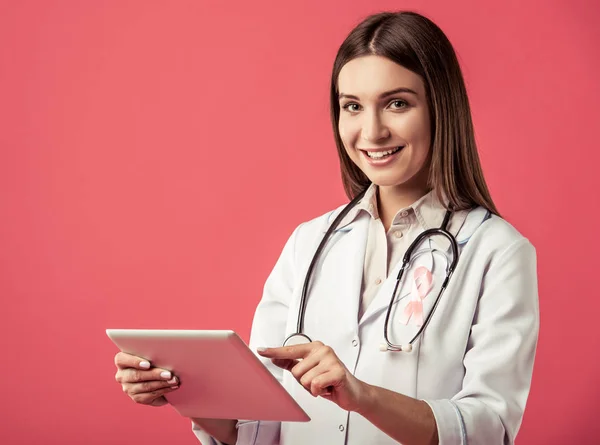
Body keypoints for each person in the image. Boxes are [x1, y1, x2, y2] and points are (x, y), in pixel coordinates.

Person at [114, 10, 539, 445]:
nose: (370, 131)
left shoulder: (497, 251)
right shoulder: (309, 243)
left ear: (440, 107)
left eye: (397, 103)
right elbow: (260, 424)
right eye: (352, 106)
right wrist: (189, 392)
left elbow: (489, 427)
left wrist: (362, 396)